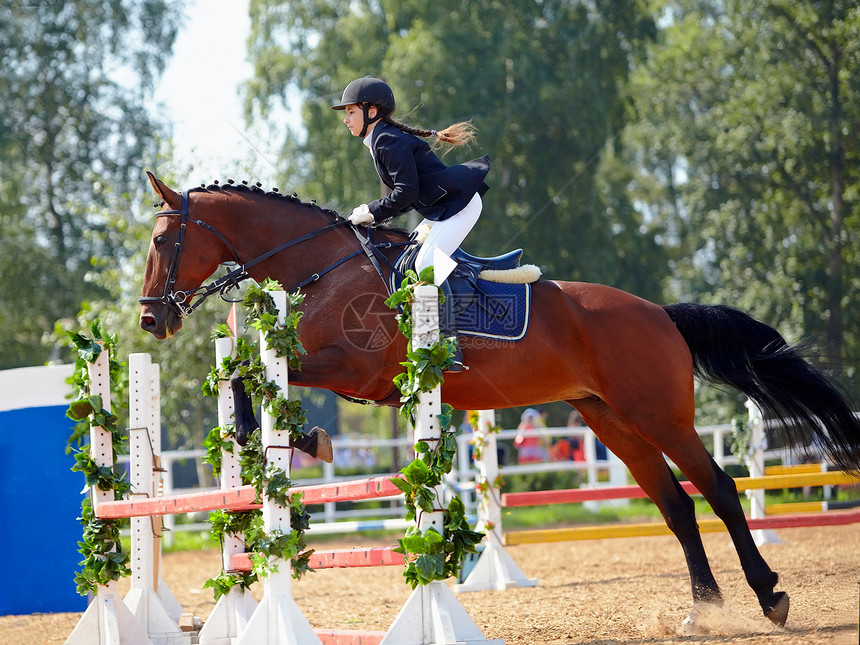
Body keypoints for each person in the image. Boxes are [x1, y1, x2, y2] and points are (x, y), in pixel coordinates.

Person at [332, 76, 491, 371]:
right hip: (443, 208)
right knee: (407, 256)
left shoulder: (387, 141)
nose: (346, 119)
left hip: (461, 205)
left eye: (350, 112)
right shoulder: (381, 139)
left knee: (426, 264)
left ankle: (444, 341)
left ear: (371, 111)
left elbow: (407, 192)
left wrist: (373, 211)